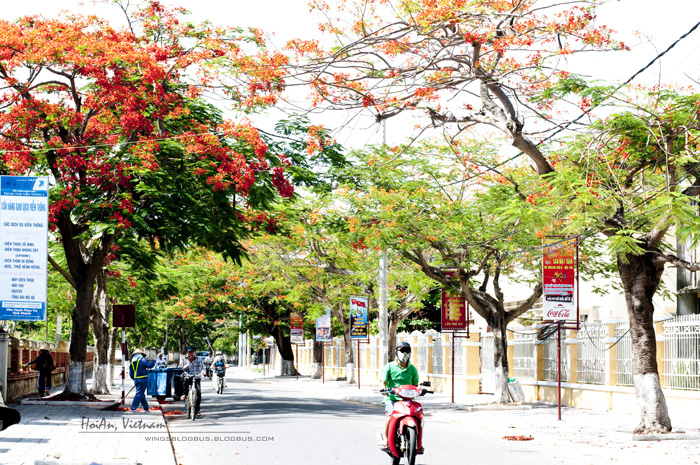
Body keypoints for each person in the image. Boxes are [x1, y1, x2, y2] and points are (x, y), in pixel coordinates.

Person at [378, 341, 419, 450]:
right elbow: (383, 381)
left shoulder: (413, 369)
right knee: (390, 418)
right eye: (402, 350)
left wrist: (419, 390)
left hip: (408, 400)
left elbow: (415, 385)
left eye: (407, 351)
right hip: (393, 399)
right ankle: (386, 440)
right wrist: (384, 389)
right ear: (397, 352)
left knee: (418, 416)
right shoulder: (389, 367)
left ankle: (418, 443)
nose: (404, 353)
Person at [181, 346, 207, 416]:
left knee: (198, 394)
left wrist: (204, 372)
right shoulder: (184, 359)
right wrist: (189, 363)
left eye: (192, 352)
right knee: (185, 380)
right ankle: (184, 394)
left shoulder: (199, 359)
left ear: (194, 352)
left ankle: (197, 410)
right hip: (188, 375)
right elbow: (183, 368)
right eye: (189, 352)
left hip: (197, 376)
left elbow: (203, 366)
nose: (191, 354)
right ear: (187, 352)